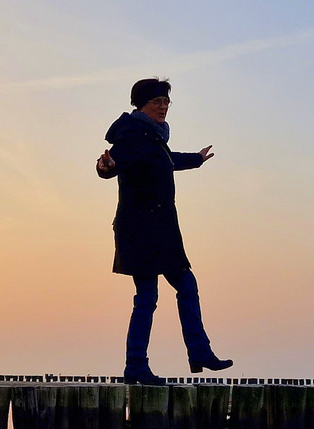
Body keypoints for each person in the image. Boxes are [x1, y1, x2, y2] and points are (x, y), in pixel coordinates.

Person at [96, 79, 233, 384]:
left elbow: (166, 161)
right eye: (157, 101)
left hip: (158, 229)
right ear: (141, 104)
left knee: (177, 288)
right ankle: (143, 364)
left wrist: (196, 159)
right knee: (152, 295)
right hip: (142, 229)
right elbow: (113, 162)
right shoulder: (133, 133)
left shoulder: (152, 137)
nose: (163, 107)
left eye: (166, 102)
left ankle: (190, 354)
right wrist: (105, 167)